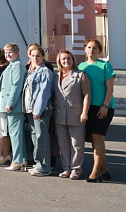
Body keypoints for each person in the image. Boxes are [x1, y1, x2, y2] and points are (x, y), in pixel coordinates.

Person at [80, 39, 115, 182]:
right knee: (94, 141)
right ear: (85, 49)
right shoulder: (81, 66)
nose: (91, 50)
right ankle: (105, 171)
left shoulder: (105, 66)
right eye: (89, 47)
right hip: (88, 107)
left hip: (103, 107)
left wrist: (105, 105)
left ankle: (95, 173)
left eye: (95, 48)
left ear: (99, 51)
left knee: (97, 137)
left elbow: (110, 88)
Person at [53, 50, 91, 180]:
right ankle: (66, 168)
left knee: (77, 144)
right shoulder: (55, 75)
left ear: (73, 60)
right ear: (59, 61)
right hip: (59, 114)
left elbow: (87, 95)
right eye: (63, 59)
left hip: (76, 114)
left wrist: (84, 112)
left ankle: (76, 169)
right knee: (63, 143)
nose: (66, 61)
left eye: (68, 59)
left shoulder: (80, 75)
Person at [24, 46, 54, 176]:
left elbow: (44, 93)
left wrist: (38, 110)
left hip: (40, 110)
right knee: (35, 135)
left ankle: (44, 166)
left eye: (38, 56)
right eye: (33, 55)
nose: (35, 58)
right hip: (30, 109)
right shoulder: (31, 71)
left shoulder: (45, 71)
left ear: (43, 58)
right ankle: (38, 163)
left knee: (42, 137)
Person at [0, 43, 27, 171]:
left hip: (14, 106)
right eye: (6, 52)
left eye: (10, 52)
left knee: (15, 134)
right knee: (14, 133)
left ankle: (18, 160)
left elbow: (16, 86)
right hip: (10, 106)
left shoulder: (17, 66)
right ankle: (20, 159)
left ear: (17, 52)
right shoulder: (11, 65)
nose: (8, 55)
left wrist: (10, 103)